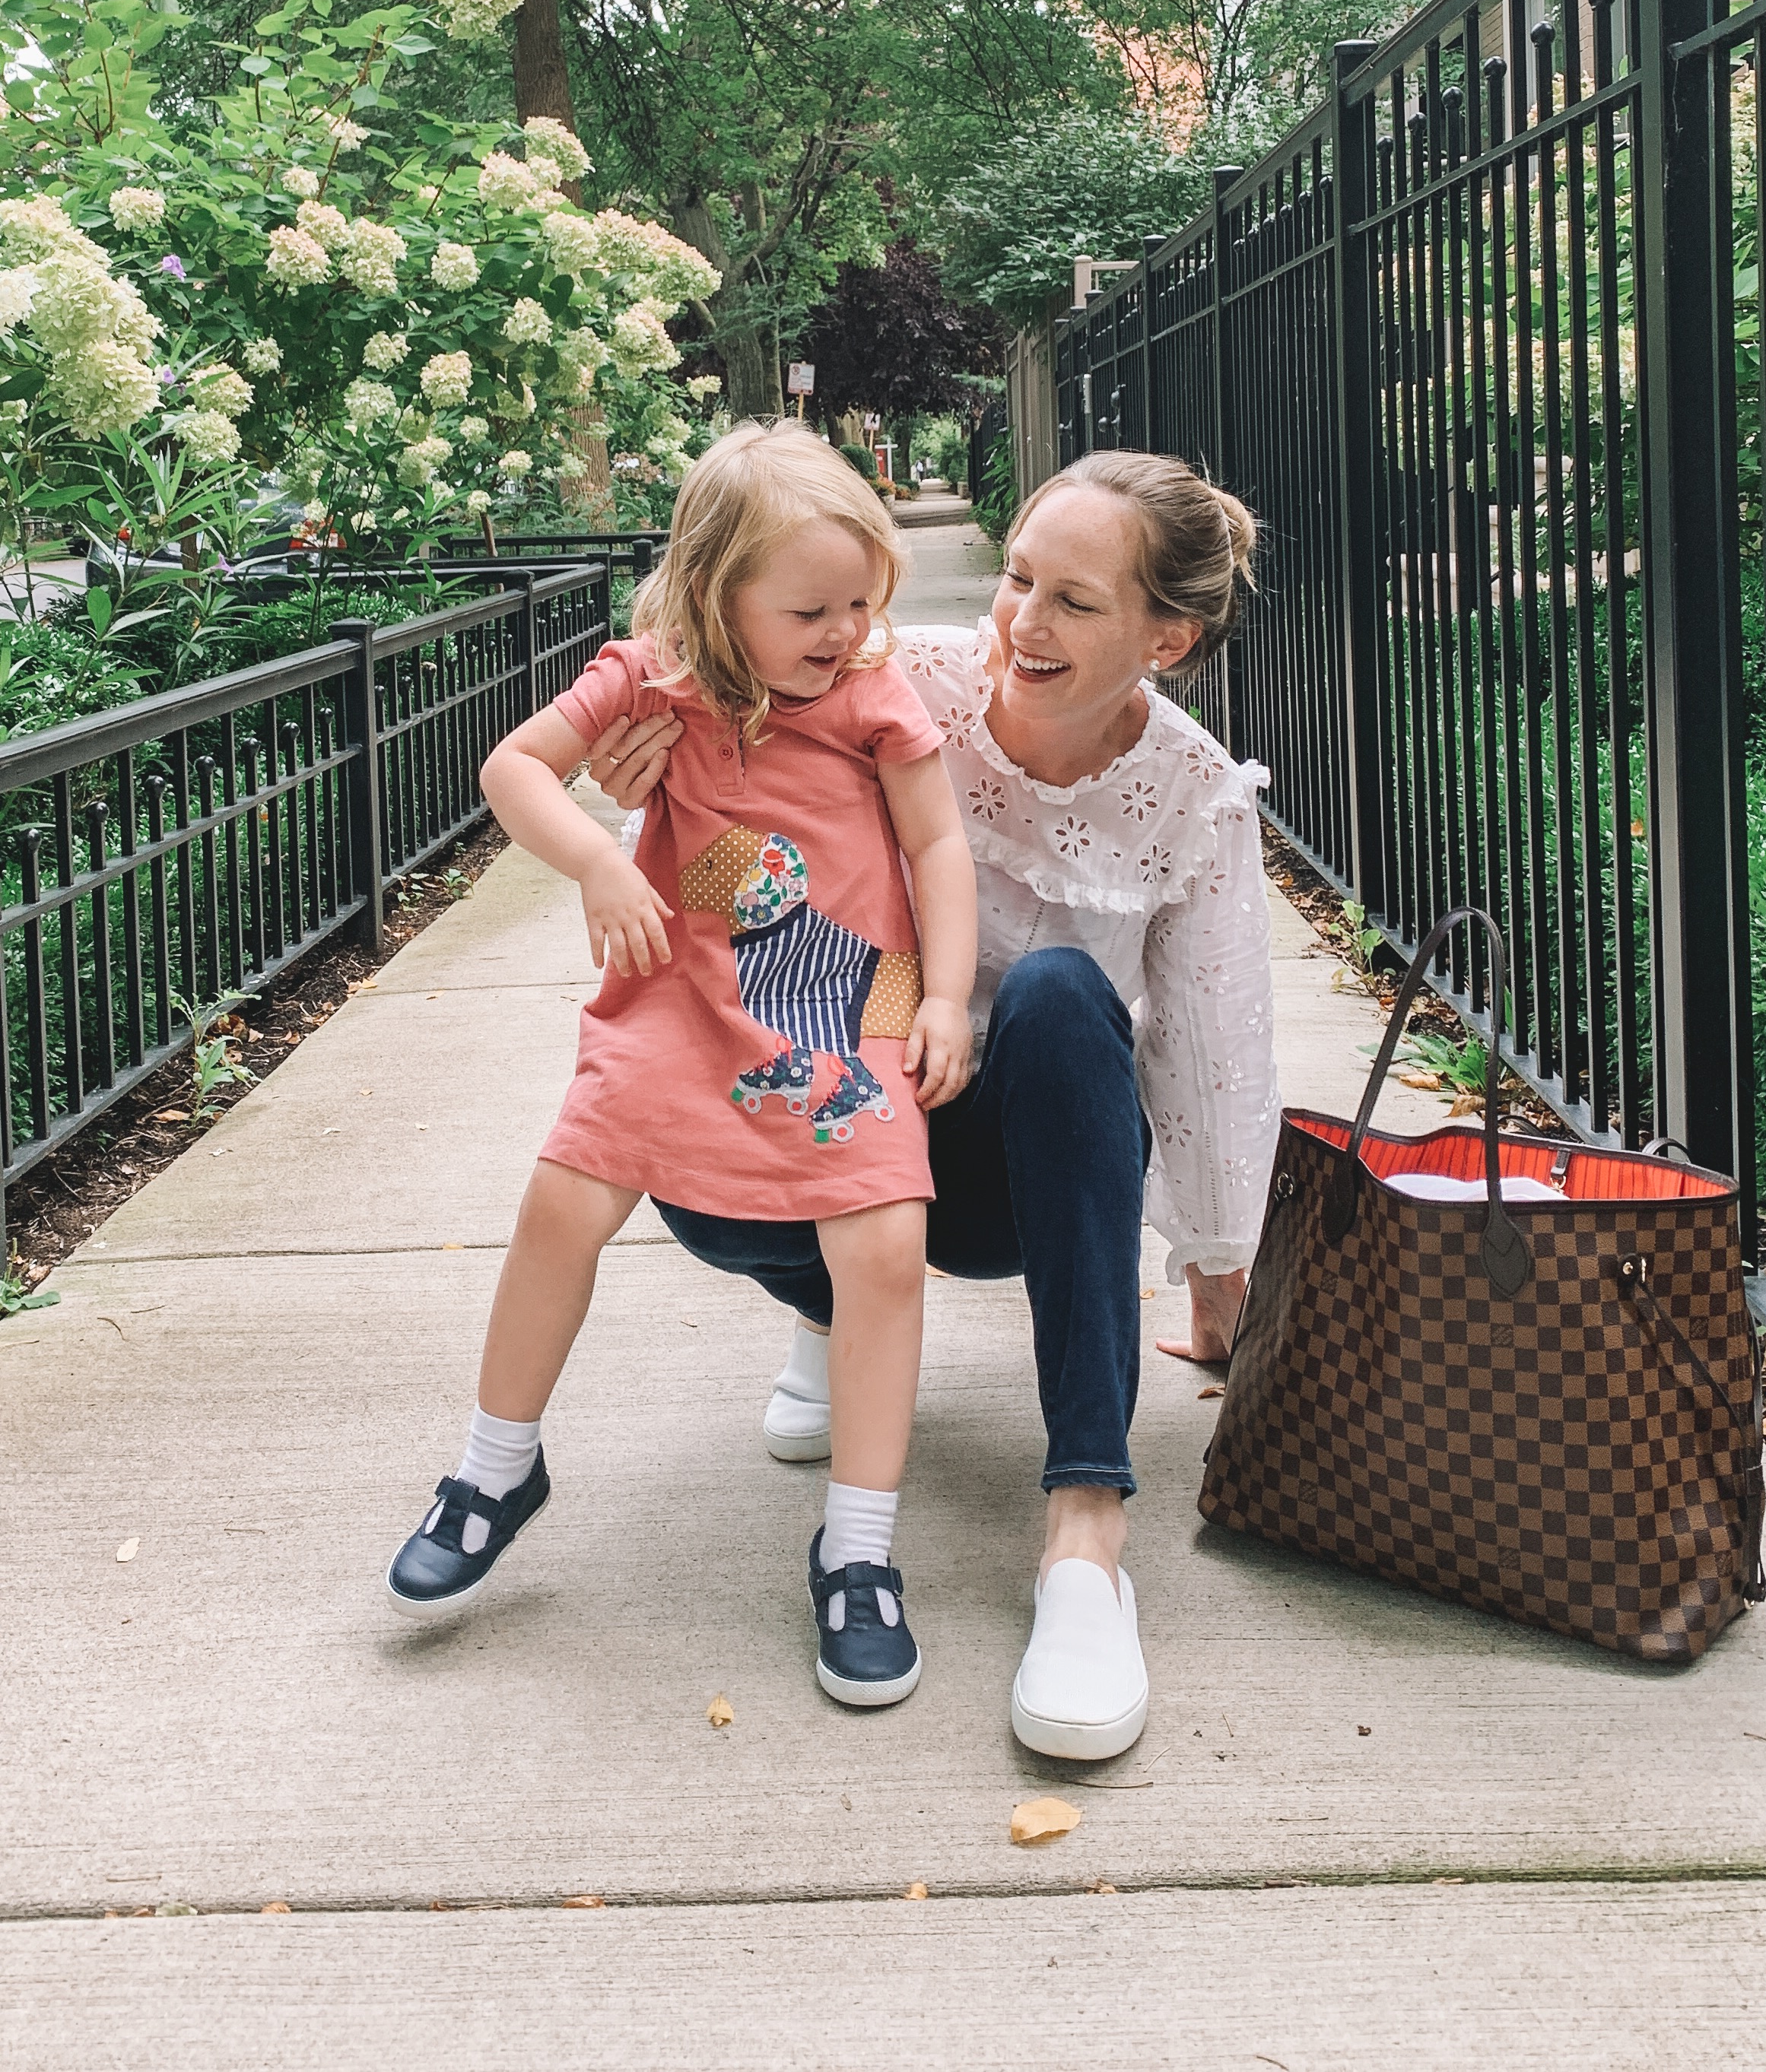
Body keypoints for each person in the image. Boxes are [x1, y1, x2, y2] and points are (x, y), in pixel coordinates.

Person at [589, 449, 1280, 1760]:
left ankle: (1086, 1536)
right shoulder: (895, 680)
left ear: (1167, 638)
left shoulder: (1192, 797)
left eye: (1076, 601)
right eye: (1018, 578)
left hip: (1031, 1168)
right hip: (839, 1115)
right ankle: (831, 1313)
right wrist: (643, 770)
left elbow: (1211, 1051)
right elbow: (719, 634)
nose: (1022, 619)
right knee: (685, 1141)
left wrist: (1219, 1270)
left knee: (1066, 996)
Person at [385, 424, 977, 1713]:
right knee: (563, 1199)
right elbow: (511, 768)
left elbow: (937, 849)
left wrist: (944, 998)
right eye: (810, 608)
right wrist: (601, 859)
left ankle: (860, 1551)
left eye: (864, 600)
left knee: (880, 1246)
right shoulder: (648, 677)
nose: (845, 628)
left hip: (841, 1003)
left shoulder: (875, 694)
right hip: (671, 995)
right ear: (716, 595)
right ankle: (496, 1467)